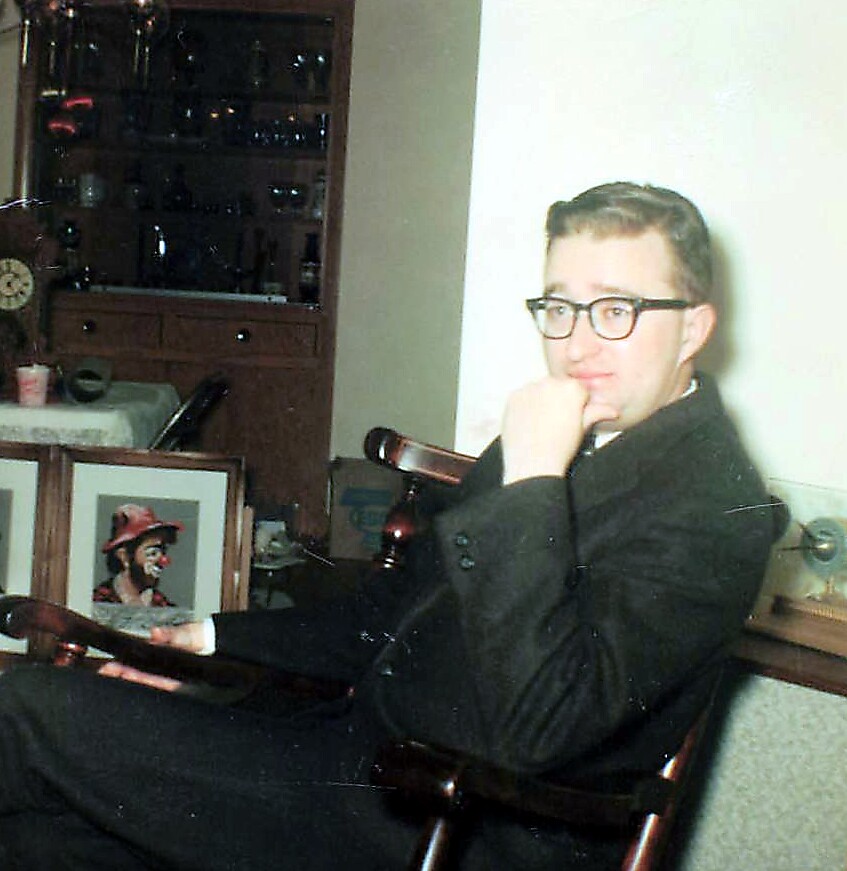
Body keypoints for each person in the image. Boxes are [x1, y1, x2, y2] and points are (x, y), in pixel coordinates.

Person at [0, 182, 781, 870]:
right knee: (41, 839)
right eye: (557, 308)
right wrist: (207, 644)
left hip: (445, 825)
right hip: (347, 765)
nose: (576, 345)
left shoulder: (713, 509)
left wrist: (534, 481)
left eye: (615, 310)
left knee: (28, 706)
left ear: (692, 328)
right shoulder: (566, 436)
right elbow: (389, 612)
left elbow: (541, 728)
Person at [92, 504, 183, 607]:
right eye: (152, 553)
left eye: (164, 552)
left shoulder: (164, 607)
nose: (163, 561)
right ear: (124, 556)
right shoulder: (97, 601)